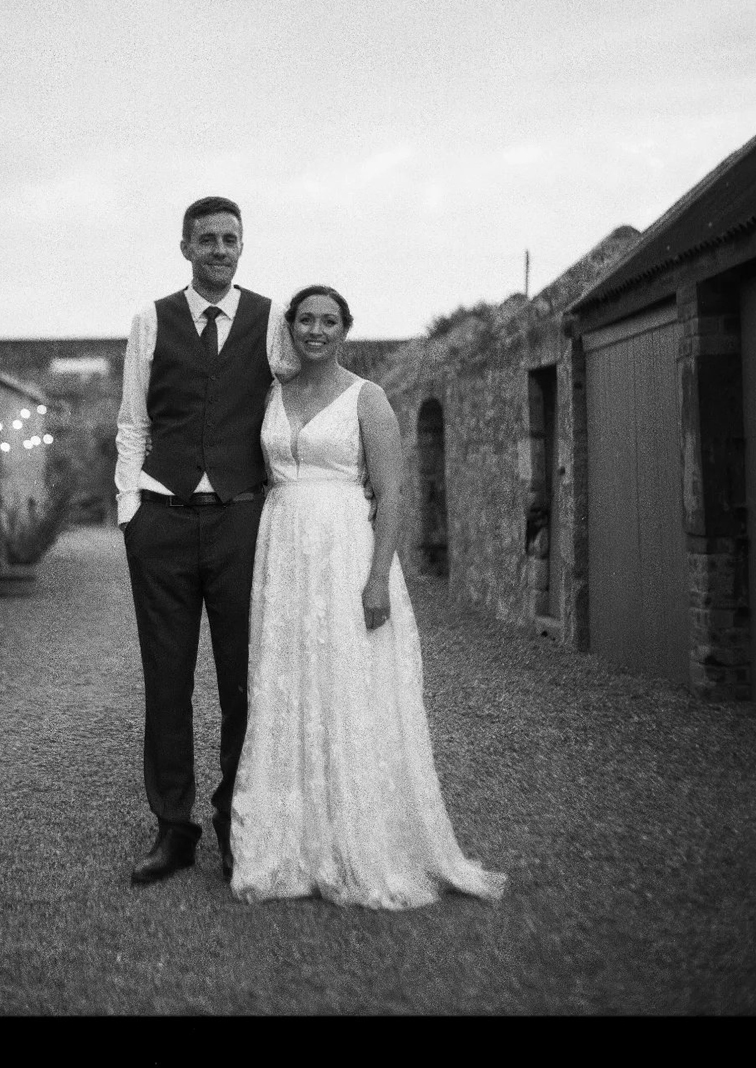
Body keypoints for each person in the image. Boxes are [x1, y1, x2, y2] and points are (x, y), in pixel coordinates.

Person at [229, 285, 507, 909]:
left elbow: (392, 494)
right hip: (283, 553)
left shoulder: (368, 398)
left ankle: (361, 837)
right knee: (290, 682)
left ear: (346, 329)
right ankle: (291, 841)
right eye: (306, 320)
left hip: (346, 551)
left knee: (351, 682)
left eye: (329, 321)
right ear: (290, 327)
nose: (317, 331)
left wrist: (378, 577)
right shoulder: (272, 394)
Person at [116, 196, 298, 886]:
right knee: (165, 681)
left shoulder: (273, 319)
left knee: (243, 683)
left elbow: (298, 400)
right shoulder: (150, 319)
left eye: (231, 240)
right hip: (162, 519)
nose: (220, 250)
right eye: (207, 240)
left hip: (241, 521)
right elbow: (133, 419)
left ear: (243, 247)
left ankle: (235, 822)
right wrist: (131, 507)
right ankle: (174, 827)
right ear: (185, 247)